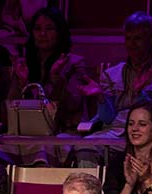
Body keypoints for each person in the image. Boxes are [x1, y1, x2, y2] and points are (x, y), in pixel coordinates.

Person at [7, 7, 99, 153]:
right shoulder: (24, 64)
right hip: (28, 130)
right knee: (4, 147)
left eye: (49, 29)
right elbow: (11, 106)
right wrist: (22, 83)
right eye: (37, 29)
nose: (42, 34)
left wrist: (57, 79)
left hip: (64, 129)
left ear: (60, 33)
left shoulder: (75, 63)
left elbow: (73, 105)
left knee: (44, 147)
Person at [89, 13, 152, 141]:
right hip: (114, 133)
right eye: (128, 38)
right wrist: (100, 97)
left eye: (138, 38)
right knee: (84, 147)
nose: (132, 44)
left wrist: (141, 95)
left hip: (148, 135)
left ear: (151, 39)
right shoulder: (110, 74)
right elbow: (107, 118)